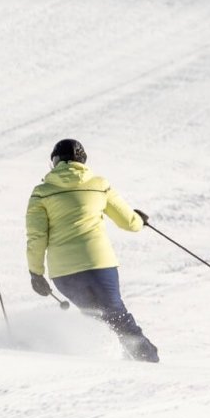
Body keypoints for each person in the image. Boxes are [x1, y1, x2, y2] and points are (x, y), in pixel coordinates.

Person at [25, 138, 159, 362]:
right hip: (99, 265)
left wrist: (35, 273)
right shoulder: (98, 184)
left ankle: (120, 358)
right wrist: (139, 220)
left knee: (96, 317)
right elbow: (128, 222)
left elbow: (36, 237)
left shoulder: (42, 193)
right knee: (115, 313)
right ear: (83, 160)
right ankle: (147, 359)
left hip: (64, 272)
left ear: (54, 163)